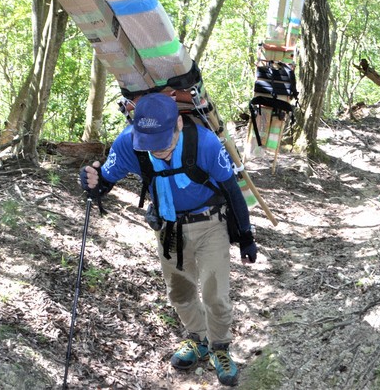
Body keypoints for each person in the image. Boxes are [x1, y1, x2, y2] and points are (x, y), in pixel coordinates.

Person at [80, 93, 257, 386]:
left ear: (178, 123)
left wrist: (246, 237)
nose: (158, 150)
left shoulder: (205, 143)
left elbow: (232, 191)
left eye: (164, 141)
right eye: (150, 144)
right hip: (168, 226)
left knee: (215, 293)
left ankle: (220, 348)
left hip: (210, 223)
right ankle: (197, 339)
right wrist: (93, 183)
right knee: (180, 292)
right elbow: (105, 180)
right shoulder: (129, 143)